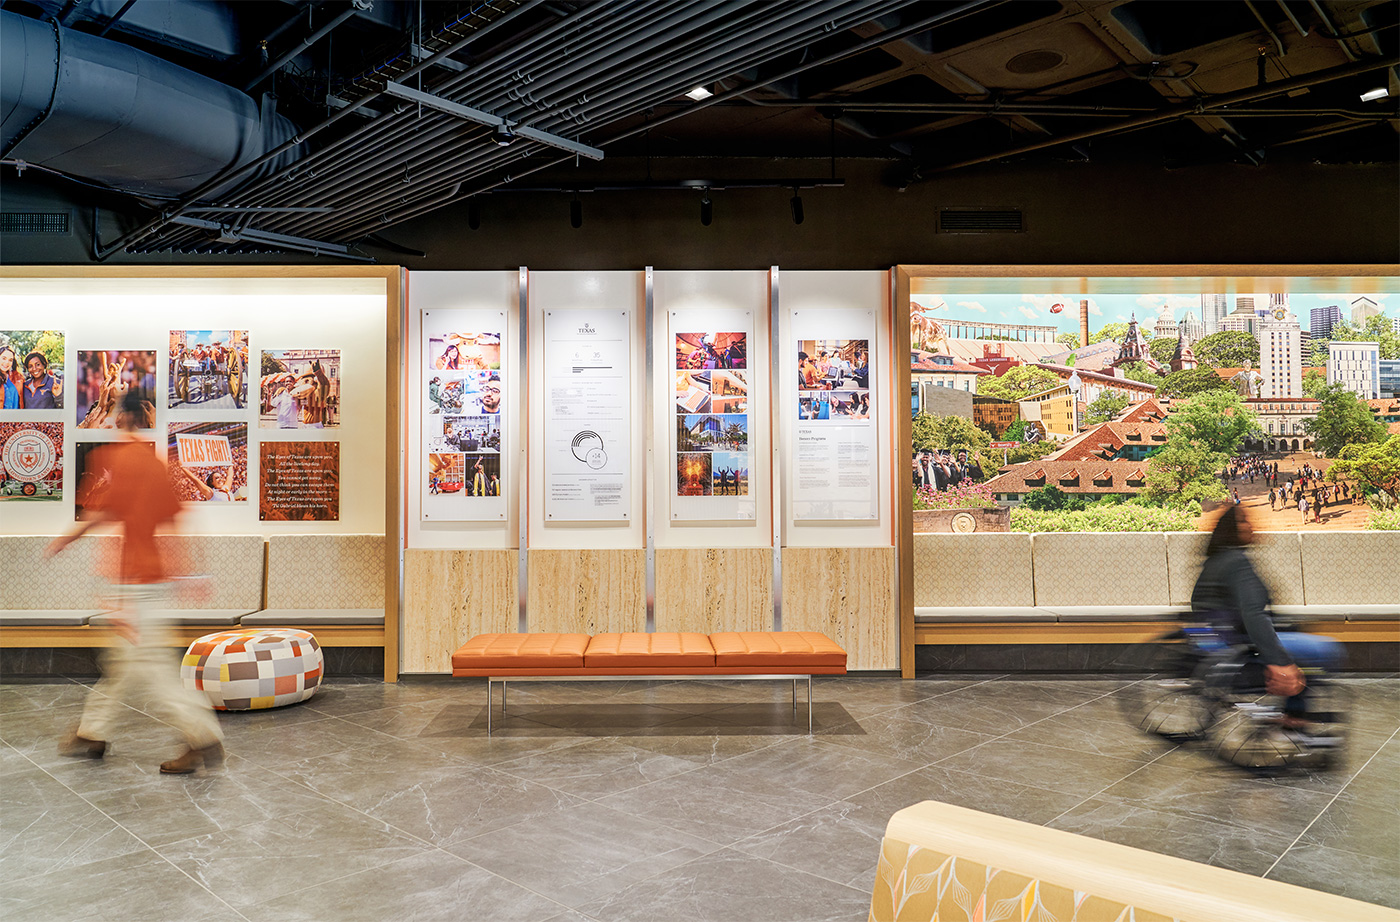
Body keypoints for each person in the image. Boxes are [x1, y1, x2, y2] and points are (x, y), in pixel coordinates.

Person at [46, 391, 224, 774]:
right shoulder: (155, 463)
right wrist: (190, 572)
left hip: (134, 583)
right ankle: (92, 731)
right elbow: (175, 521)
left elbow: (101, 514)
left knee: (151, 667)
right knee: (122, 664)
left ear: (121, 419)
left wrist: (65, 540)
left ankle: (201, 736)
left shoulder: (114, 459)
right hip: (152, 578)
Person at [1191, 504, 1343, 729]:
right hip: (1241, 649)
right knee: (1326, 650)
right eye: (1244, 521)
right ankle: (1293, 716)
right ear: (1232, 529)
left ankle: (1293, 713)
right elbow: (1253, 614)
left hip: (1220, 644)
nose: (1251, 526)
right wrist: (1279, 662)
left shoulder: (1215, 561)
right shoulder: (1237, 563)